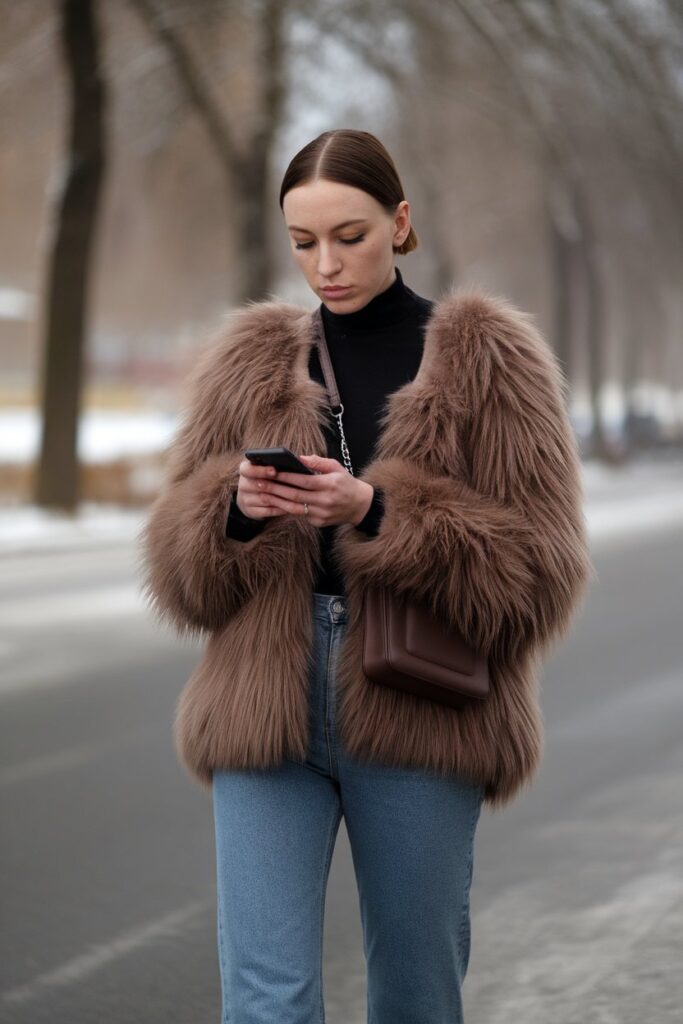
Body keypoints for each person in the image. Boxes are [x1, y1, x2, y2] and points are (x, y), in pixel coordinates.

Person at [139, 128, 593, 1024]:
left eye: (348, 235)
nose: (326, 265)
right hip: (263, 703)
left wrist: (377, 514)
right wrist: (232, 511)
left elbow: (542, 575)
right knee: (265, 998)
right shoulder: (249, 359)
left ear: (400, 222)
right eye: (303, 242)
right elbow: (176, 574)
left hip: (420, 702)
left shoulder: (488, 358)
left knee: (416, 994)